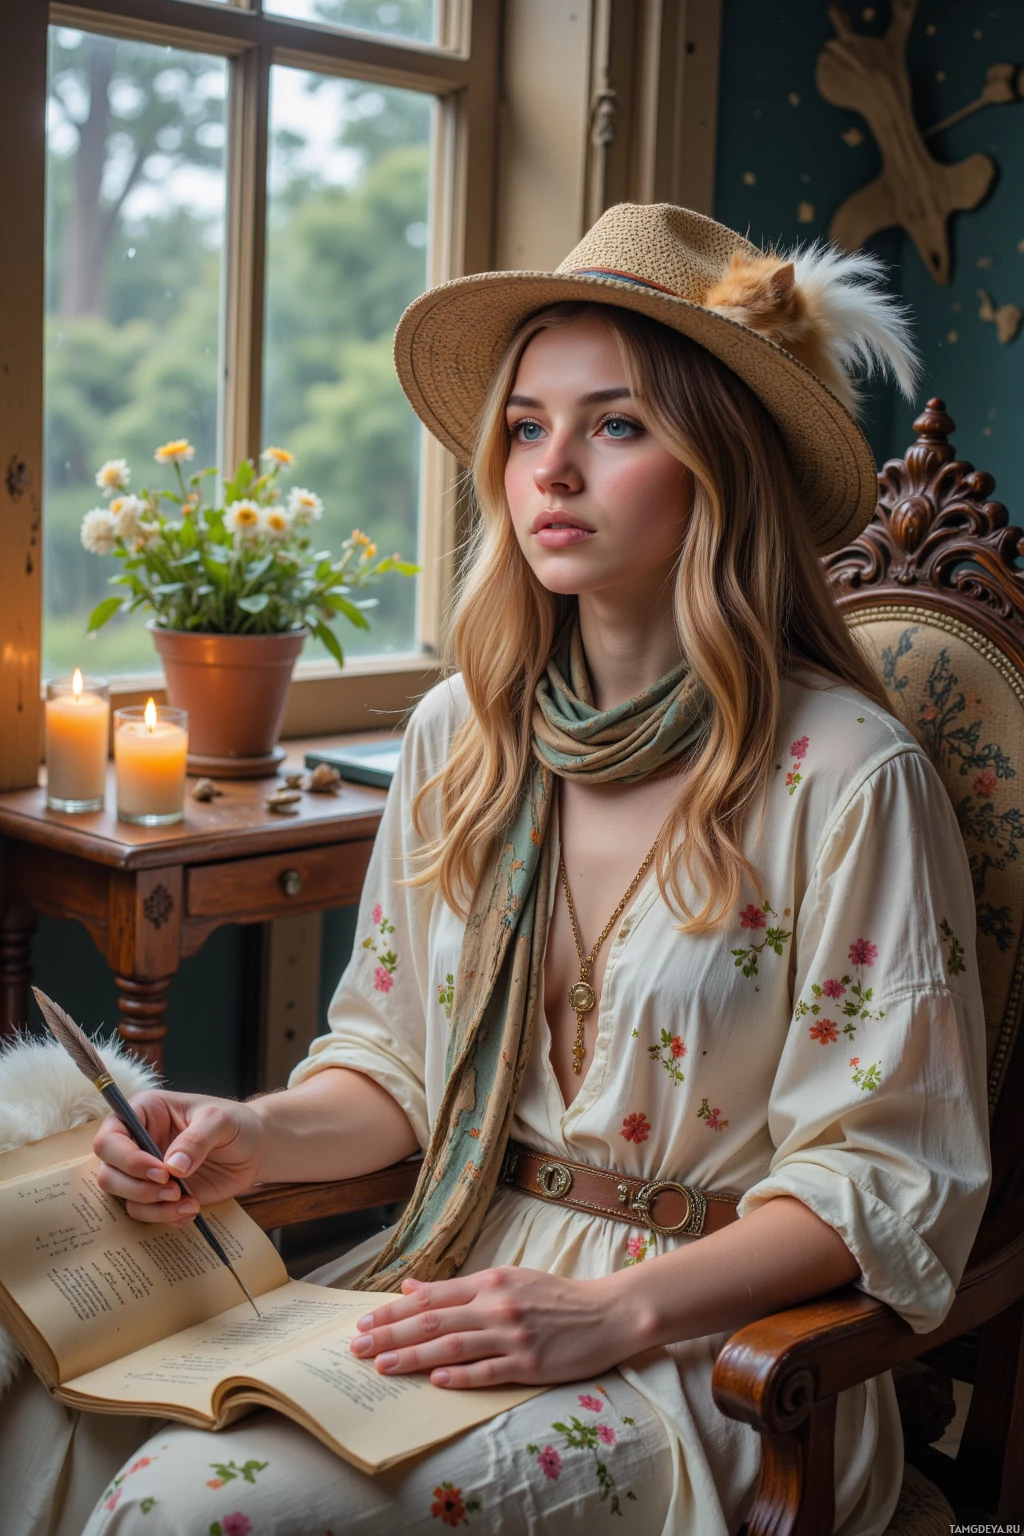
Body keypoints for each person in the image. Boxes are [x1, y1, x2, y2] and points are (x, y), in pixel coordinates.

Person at [79, 203, 989, 1534]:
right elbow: (396, 1065)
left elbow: (884, 1180)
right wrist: (251, 1136)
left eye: (616, 426)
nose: (551, 469)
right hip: (467, 1266)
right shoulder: (462, 735)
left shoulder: (849, 775)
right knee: (62, 1409)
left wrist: (607, 1311)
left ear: (721, 463)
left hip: (720, 1348)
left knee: (195, 1511)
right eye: (525, 426)